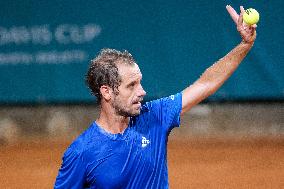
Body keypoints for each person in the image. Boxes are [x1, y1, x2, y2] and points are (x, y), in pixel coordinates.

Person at [54, 5, 257, 189]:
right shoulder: (81, 152)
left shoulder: (154, 115)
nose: (142, 91)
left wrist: (244, 45)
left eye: (140, 82)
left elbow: (206, 83)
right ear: (106, 91)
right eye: (131, 85)